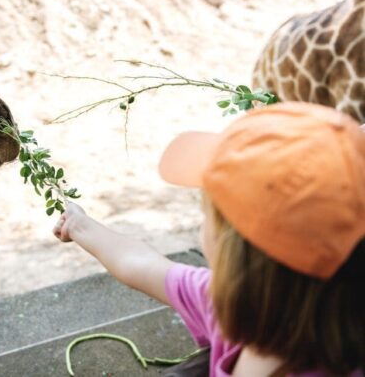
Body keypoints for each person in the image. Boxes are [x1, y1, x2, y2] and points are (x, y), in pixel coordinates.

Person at [53, 102, 365, 376]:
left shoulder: (223, 306)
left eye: (208, 215)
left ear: (236, 252)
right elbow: (139, 264)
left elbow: (142, 264)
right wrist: (81, 226)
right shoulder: (230, 302)